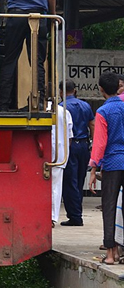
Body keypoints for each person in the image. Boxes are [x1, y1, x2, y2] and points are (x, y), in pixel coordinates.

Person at [88, 72, 124, 265]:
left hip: (112, 163)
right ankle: (122, 253)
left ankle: (111, 254)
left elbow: (100, 143)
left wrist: (94, 167)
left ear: (101, 90)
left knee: (109, 207)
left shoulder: (103, 112)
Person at [59, 80, 95, 226]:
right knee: (79, 180)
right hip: (84, 145)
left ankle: (75, 216)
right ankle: (77, 212)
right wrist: (92, 143)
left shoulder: (61, 107)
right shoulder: (85, 105)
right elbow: (92, 124)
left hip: (70, 146)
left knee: (69, 182)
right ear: (74, 90)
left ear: (61, 92)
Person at [51, 103, 73, 227]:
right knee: (55, 187)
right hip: (59, 154)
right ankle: (52, 217)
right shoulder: (64, 112)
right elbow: (69, 136)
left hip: (41, 152)